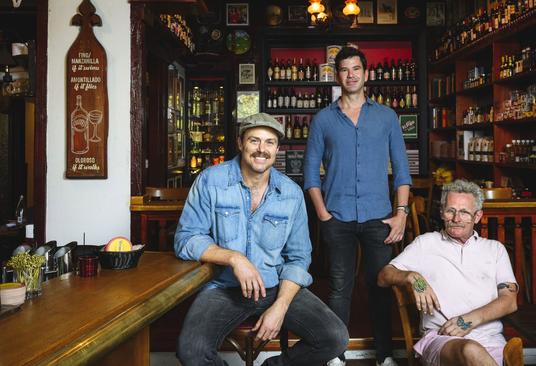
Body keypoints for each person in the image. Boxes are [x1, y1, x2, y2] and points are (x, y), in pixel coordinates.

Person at [174, 113, 348, 366]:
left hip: (277, 286)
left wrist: (281, 306)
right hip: (224, 289)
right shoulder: (211, 181)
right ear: (240, 143)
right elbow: (186, 239)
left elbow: (298, 257)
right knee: (191, 351)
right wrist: (234, 258)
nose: (261, 150)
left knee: (336, 338)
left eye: (269, 143)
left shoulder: (291, 193)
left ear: (277, 148)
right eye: (254, 140)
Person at [304, 46, 412, 366]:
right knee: (339, 288)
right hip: (337, 217)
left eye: (356, 69)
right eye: (344, 70)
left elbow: (402, 172)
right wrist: (323, 215)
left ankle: (385, 355)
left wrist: (401, 214)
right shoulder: (323, 119)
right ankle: (335, 355)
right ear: (337, 76)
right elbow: (310, 175)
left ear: (366, 74)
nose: (350, 75)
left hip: (379, 217)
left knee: (380, 285)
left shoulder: (387, 117)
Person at [377, 180, 518, 366]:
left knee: (492, 352)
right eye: (450, 210)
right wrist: (413, 277)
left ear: (477, 216)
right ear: (442, 212)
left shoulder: (495, 250)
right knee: (470, 351)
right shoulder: (426, 244)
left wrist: (469, 319)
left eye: (464, 212)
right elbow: (383, 276)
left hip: (492, 341)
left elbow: (509, 301)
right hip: (442, 340)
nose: (456, 219)